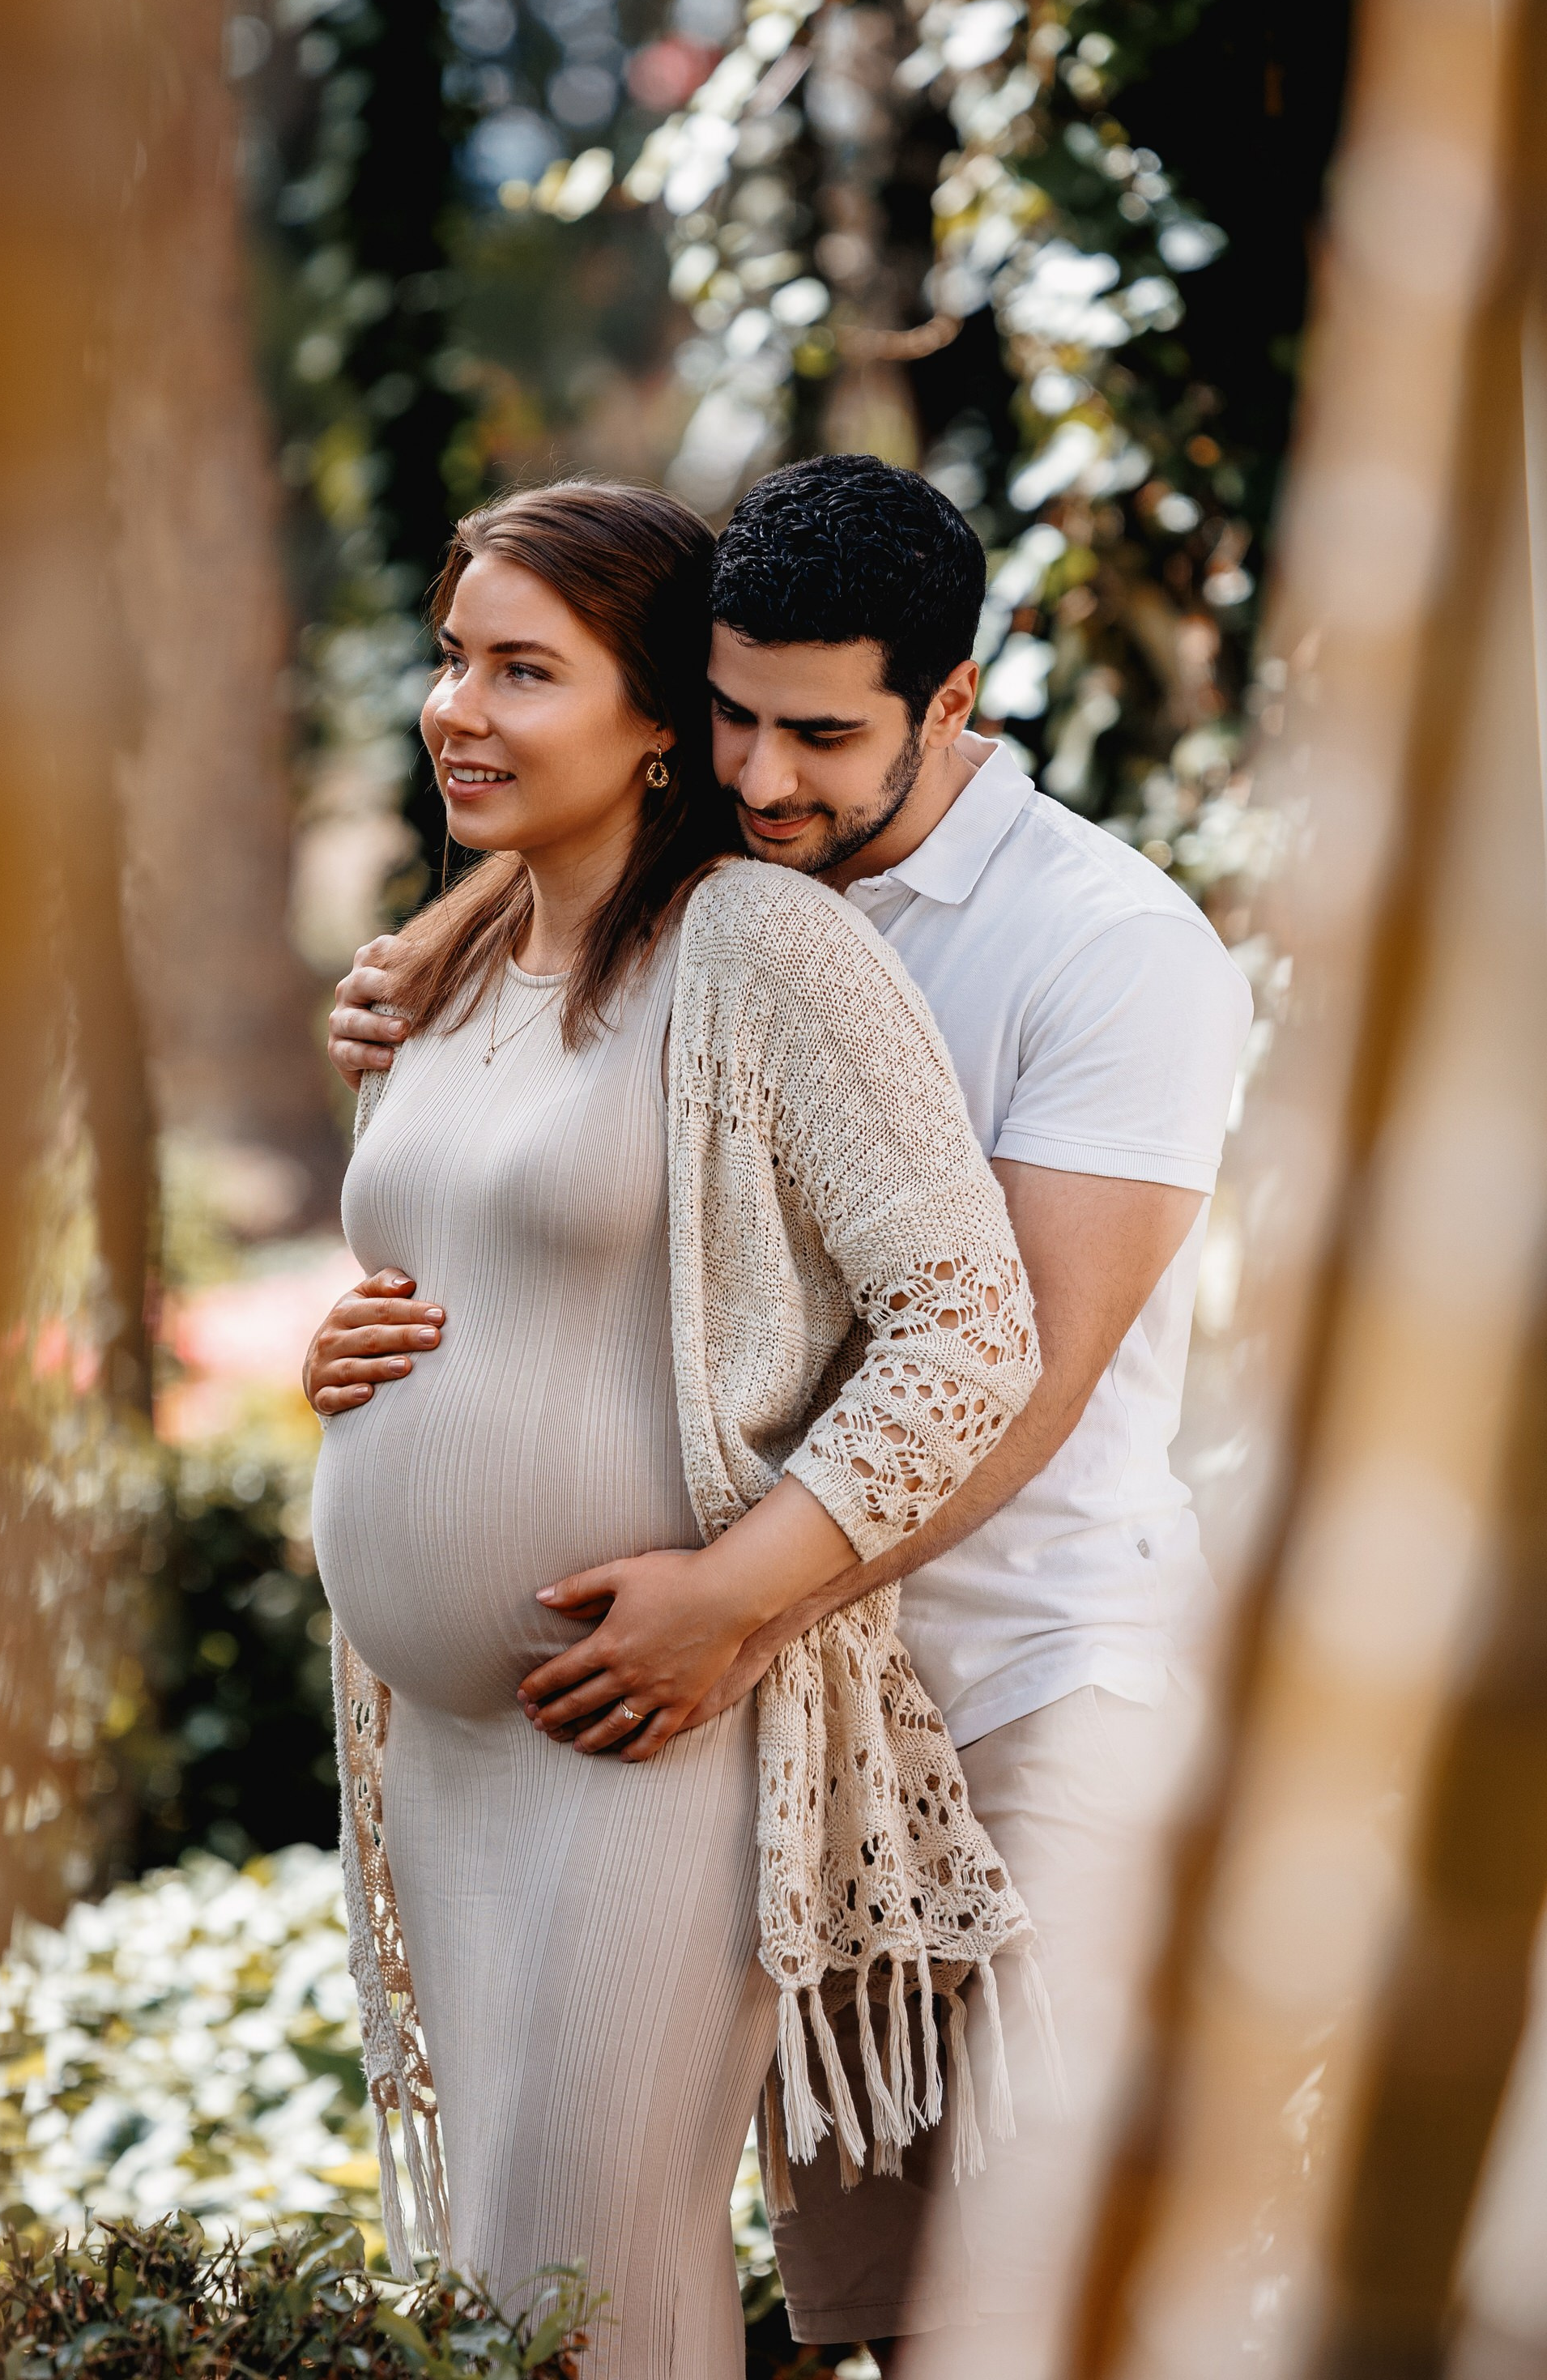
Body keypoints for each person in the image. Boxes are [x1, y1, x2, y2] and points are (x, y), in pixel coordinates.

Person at [314, 454, 1255, 2375]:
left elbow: (1020, 1354)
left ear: (954, 705)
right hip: (756, 1699)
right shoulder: (722, 881)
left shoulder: (1105, 947)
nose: (761, 777)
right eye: (731, 717)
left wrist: (740, 1599)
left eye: (819, 735)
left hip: (1010, 1686)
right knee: (863, 2307)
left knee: (1041, 2307)